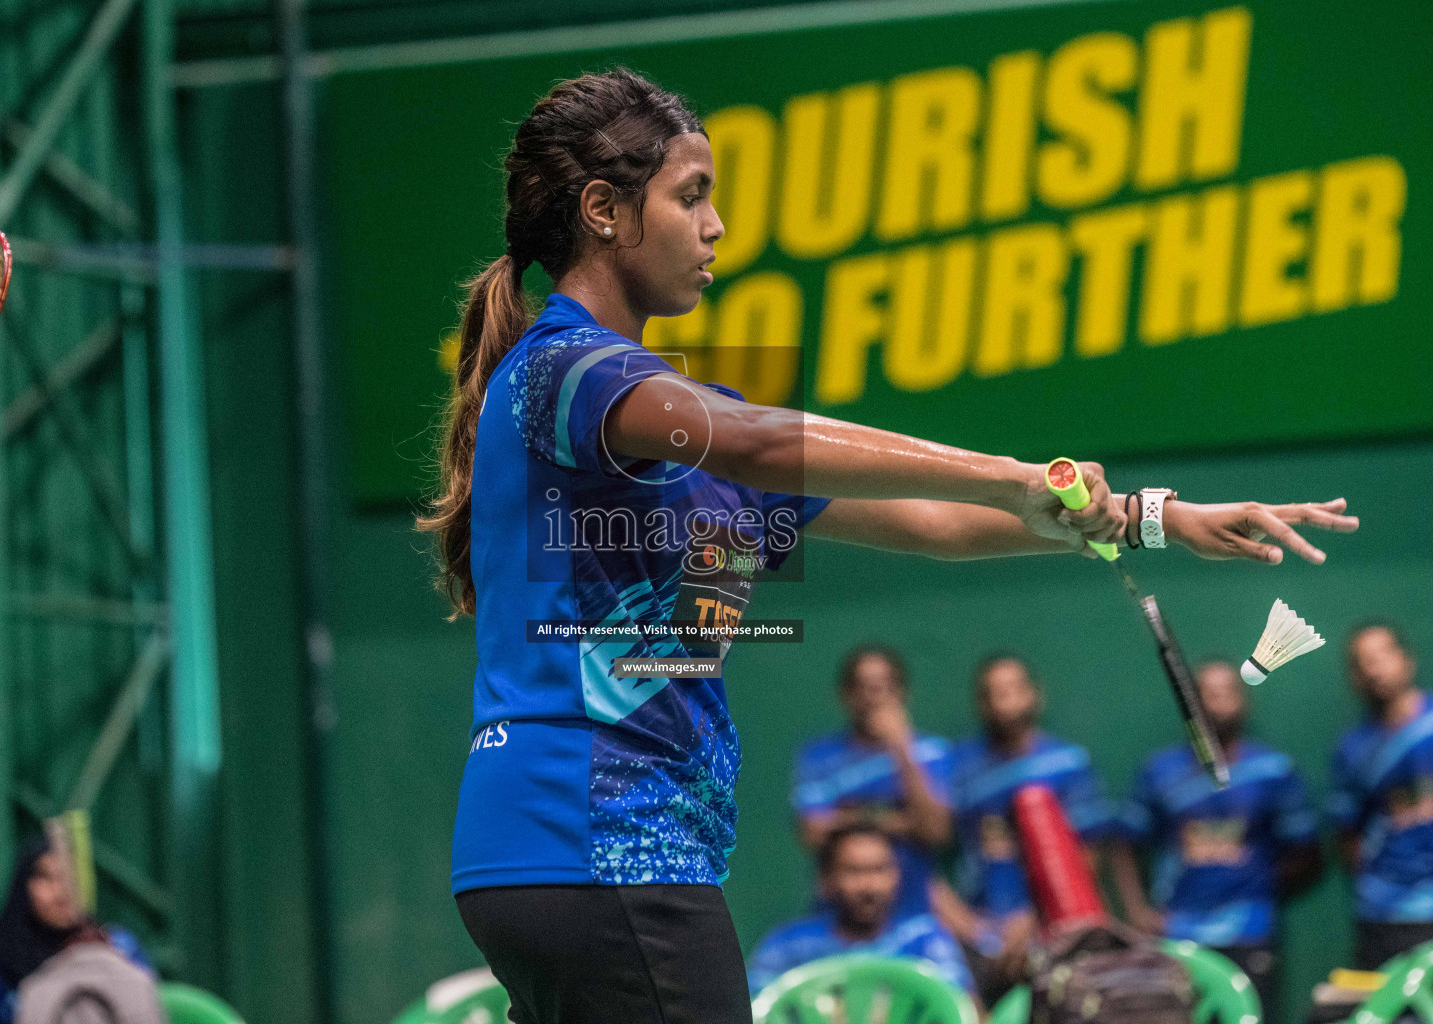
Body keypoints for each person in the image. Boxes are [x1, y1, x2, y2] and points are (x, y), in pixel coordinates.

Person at [422, 66, 1358, 1024]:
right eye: (690, 196)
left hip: (569, 849)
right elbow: (749, 439)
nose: (716, 227)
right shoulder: (566, 368)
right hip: (592, 833)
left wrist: (1156, 516)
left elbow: (935, 524)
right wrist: (1011, 473)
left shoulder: (677, 429)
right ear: (604, 212)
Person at [1109, 660, 1322, 1014]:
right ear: (1190, 702)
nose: (1219, 701)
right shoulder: (1159, 771)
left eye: (1228, 692)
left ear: (1245, 701)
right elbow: (1123, 844)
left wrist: (1254, 885)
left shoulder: (1273, 770)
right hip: (1176, 936)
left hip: (1250, 934)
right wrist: (1137, 911)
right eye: (1208, 693)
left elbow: (1307, 853)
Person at [940, 655, 1116, 1003]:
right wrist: (972, 929)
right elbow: (926, 852)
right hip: (976, 934)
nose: (1005, 702)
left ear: (1035, 695)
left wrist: (1034, 920)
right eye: (993, 693)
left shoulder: (1068, 763)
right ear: (981, 703)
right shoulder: (956, 766)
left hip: (1056, 928)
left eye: (1014, 690)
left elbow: (1087, 859)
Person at [792, 645, 952, 915]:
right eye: (863, 687)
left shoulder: (930, 752)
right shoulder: (818, 757)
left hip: (915, 912)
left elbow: (934, 831)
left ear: (902, 692)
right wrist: (899, 820)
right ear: (845, 694)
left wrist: (901, 747)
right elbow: (814, 832)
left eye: (883, 686)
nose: (873, 696)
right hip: (839, 915)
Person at [747, 824, 975, 1000]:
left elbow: (961, 1010)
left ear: (897, 875)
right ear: (826, 880)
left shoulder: (926, 941)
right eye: (853, 871)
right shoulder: (788, 947)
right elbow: (754, 1009)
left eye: (879, 869)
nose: (869, 886)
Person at [0, 835, 152, 1024]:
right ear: (23, 887)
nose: (61, 891)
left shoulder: (119, 947)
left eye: (69, 876)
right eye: (46, 877)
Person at [1330, 621, 1433, 969]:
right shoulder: (1352, 749)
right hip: (1386, 916)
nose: (1374, 669)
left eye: (1382, 656)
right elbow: (1347, 837)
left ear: (1407, 660)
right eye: (1362, 662)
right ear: (1354, 678)